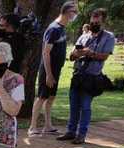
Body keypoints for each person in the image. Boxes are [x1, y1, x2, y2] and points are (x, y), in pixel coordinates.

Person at [57, 8, 115, 144]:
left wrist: (89, 53)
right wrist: (77, 54)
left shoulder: (109, 37)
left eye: (97, 21)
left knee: (85, 106)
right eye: (92, 21)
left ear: (103, 21)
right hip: (77, 75)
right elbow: (71, 56)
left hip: (91, 77)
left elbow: (104, 56)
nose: (94, 23)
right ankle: (70, 132)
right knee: (73, 105)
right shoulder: (84, 36)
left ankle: (81, 134)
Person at [29, 1, 78, 136]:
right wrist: (49, 75)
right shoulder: (54, 29)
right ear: (68, 12)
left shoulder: (62, 28)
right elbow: (46, 53)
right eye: (74, 12)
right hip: (48, 70)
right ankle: (32, 127)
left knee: (51, 97)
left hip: (56, 69)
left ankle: (48, 125)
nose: (76, 15)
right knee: (42, 97)